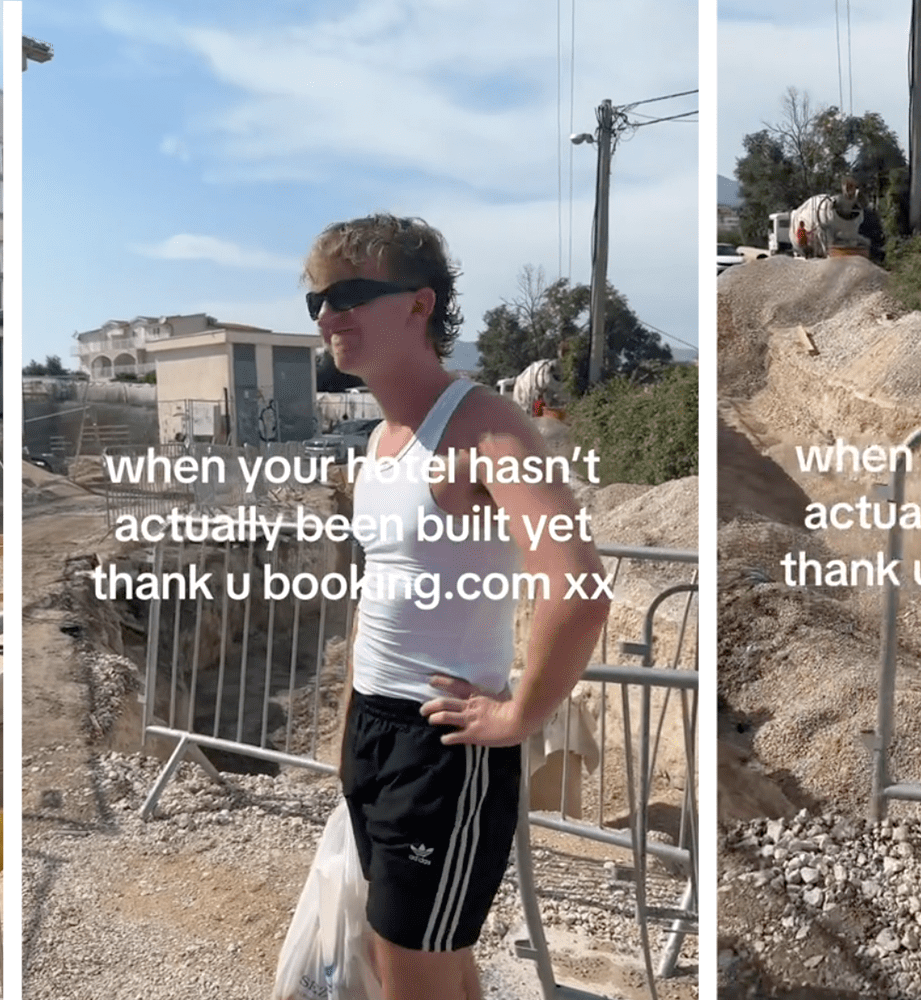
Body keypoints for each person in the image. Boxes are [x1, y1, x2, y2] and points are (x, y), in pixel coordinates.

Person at [303, 213, 612, 1000]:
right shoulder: (381, 442)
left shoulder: (482, 428)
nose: (328, 314)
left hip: (441, 750)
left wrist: (518, 718)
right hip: (374, 731)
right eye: (318, 301)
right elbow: (385, 591)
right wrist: (351, 715)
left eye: (350, 294)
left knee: (414, 970)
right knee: (414, 957)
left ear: (418, 304)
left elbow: (578, 588)